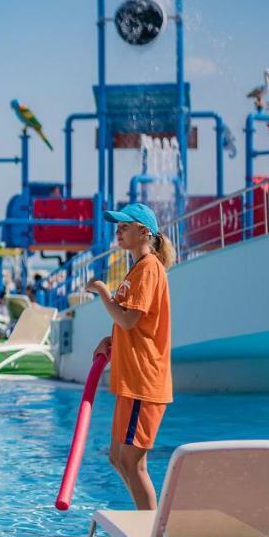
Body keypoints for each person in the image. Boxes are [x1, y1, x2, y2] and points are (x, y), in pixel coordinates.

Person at [87, 202, 175, 511]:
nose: (118, 231)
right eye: (118, 226)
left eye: (125, 226)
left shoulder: (149, 268)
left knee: (133, 464)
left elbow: (128, 319)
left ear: (144, 231)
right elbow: (133, 324)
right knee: (116, 457)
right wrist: (111, 341)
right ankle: (147, 523)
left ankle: (151, 534)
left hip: (143, 380)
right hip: (131, 380)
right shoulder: (138, 268)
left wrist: (101, 291)